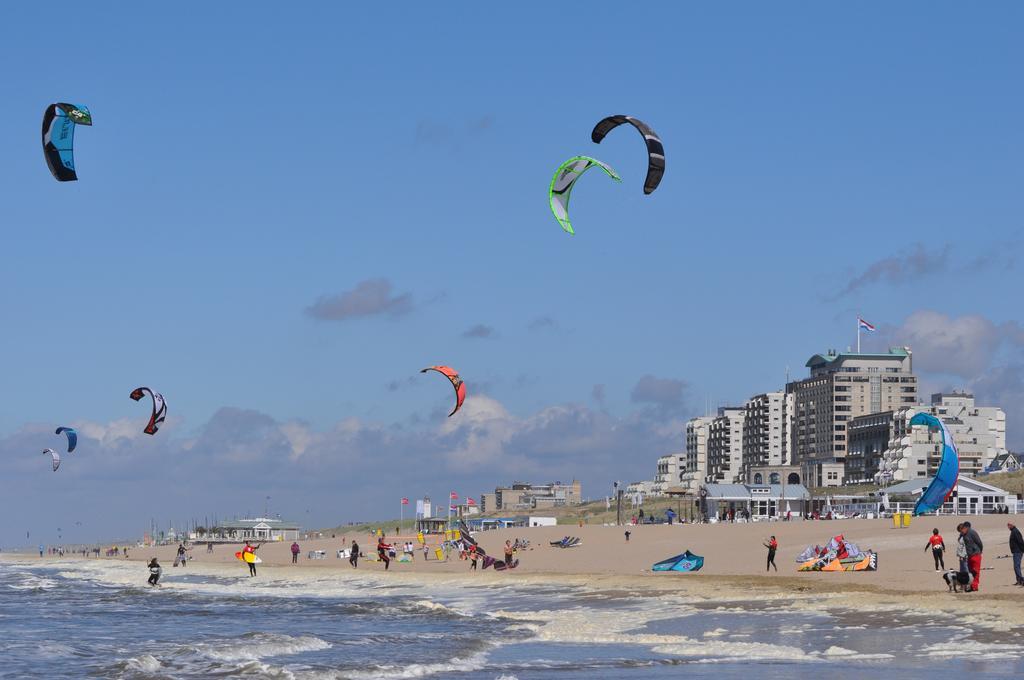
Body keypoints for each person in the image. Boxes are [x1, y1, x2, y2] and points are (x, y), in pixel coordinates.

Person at [959, 522, 983, 592]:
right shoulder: (963, 535)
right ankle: (971, 585)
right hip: (969, 556)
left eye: (961, 531)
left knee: (976, 572)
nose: (961, 533)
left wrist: (979, 551)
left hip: (976, 555)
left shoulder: (972, 532)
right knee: (970, 572)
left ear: (965, 528)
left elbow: (979, 542)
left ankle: (975, 587)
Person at [1008, 522, 1024, 586]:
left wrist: (1022, 550)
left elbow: (1021, 541)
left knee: (1016, 566)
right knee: (1016, 566)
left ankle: (1021, 580)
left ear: (1012, 525)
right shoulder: (1013, 531)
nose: (1008, 527)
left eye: (1009, 525)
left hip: (1018, 551)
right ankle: (1019, 580)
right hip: (1016, 551)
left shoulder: (1015, 531)